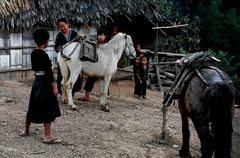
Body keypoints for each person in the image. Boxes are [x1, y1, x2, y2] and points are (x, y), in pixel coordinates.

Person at [20, 28, 61, 144]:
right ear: (46, 42)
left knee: (32, 106)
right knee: (47, 108)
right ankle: (47, 136)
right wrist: (54, 87)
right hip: (45, 84)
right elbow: (49, 74)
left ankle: (26, 130)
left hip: (36, 83)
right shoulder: (44, 56)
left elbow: (35, 68)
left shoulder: (33, 53)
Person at [54, 17, 81, 96]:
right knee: (63, 76)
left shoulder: (74, 34)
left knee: (73, 75)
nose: (62, 28)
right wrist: (64, 46)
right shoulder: (59, 35)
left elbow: (79, 45)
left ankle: (72, 92)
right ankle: (63, 93)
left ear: (68, 25)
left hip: (73, 60)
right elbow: (56, 48)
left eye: (64, 26)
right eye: (60, 26)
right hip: (63, 59)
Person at [82, 28, 108, 101]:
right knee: (90, 79)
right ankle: (86, 95)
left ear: (105, 36)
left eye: (102, 35)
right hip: (95, 65)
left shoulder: (107, 46)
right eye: (99, 35)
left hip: (103, 67)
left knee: (105, 81)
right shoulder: (94, 44)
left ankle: (104, 97)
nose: (100, 36)